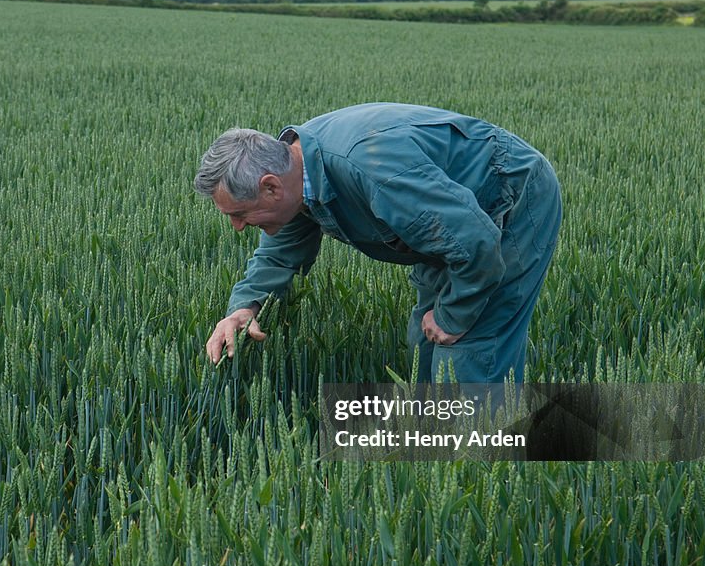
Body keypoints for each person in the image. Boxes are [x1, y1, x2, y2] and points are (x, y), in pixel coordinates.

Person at [194, 103, 562, 384]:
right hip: (450, 219)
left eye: (240, 214)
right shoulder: (296, 176)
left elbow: (477, 242)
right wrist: (244, 309)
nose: (237, 227)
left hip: (508, 197)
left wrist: (455, 314)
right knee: (425, 343)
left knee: (467, 352)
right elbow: (278, 255)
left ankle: (478, 465)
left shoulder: (374, 169)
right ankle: (439, 462)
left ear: (270, 186)